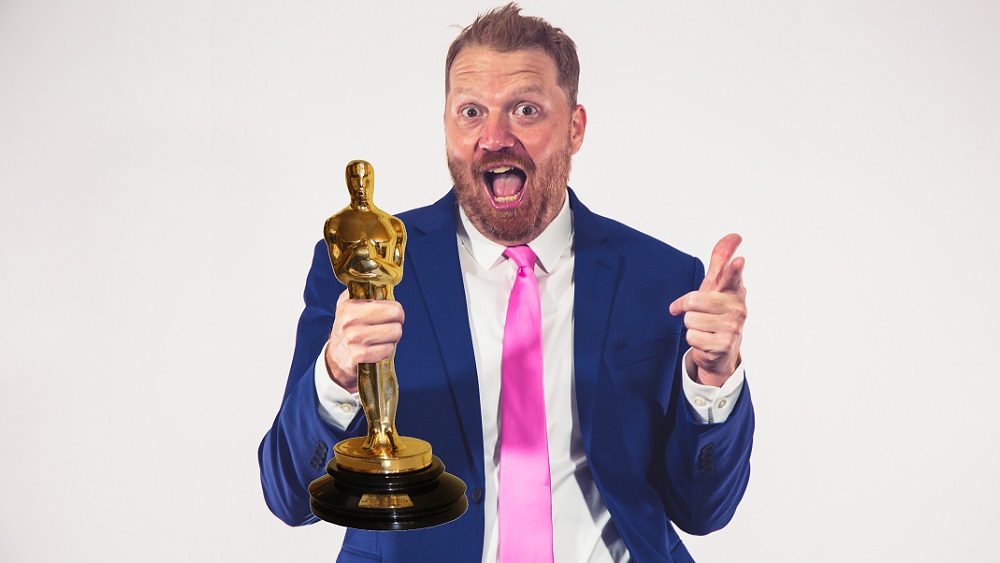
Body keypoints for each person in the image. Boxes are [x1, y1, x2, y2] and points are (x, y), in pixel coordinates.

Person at [259, 4, 754, 562]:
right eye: (471, 111)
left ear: (575, 128)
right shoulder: (366, 271)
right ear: (445, 124)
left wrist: (714, 378)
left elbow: (702, 510)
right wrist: (336, 374)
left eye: (525, 110)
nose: (494, 137)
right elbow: (289, 496)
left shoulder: (663, 280)